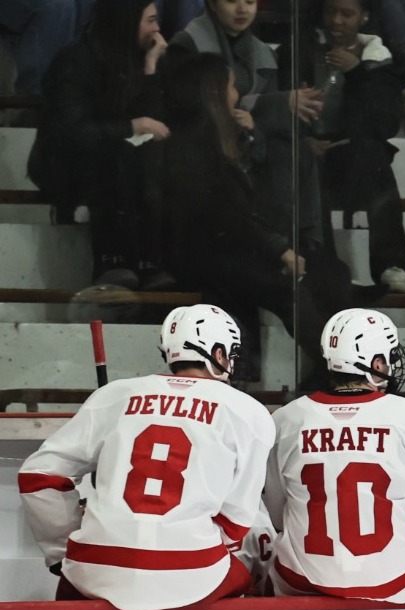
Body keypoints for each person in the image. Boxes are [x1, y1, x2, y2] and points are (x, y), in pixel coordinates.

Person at [16, 304, 274, 610]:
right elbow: (236, 521)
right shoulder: (249, 412)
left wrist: (62, 550)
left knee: (73, 578)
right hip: (190, 574)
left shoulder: (115, 394)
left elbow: (38, 476)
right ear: (218, 354)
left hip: (96, 567)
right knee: (257, 558)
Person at [157, 52, 344, 385]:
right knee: (286, 290)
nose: (236, 95)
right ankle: (340, 373)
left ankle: (251, 379)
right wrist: (280, 250)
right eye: (230, 87)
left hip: (219, 256)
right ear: (212, 93)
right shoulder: (200, 144)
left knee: (268, 290)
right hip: (207, 258)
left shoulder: (206, 139)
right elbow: (230, 214)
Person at [267, 308, 405, 602]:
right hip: (394, 583)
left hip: (303, 580)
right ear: (376, 363)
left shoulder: (286, 419)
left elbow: (278, 516)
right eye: (389, 358)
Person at [29, 0, 169, 286]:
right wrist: (130, 126)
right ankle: (112, 260)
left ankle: (151, 260)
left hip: (117, 164)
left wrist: (151, 68)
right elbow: (69, 132)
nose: (157, 29)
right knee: (118, 153)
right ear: (127, 20)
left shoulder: (137, 57)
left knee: (148, 154)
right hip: (65, 164)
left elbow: (155, 124)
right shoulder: (76, 59)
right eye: (150, 20)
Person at [169, 0, 329, 247]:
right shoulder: (187, 44)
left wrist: (257, 116)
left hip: (251, 136)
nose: (242, 9)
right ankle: (282, 244)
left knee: (295, 150)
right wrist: (275, 104)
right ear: (212, 3)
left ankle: (306, 243)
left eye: (250, 1)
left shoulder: (261, 51)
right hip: (206, 139)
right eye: (232, 1)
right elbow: (193, 105)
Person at [284, 0, 405, 293]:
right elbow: (281, 102)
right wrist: (303, 139)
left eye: (347, 14)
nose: (337, 21)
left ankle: (392, 264)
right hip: (303, 146)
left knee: (374, 155)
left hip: (349, 153)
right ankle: (323, 269)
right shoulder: (300, 49)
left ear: (364, 17)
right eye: (331, 11)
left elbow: (385, 124)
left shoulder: (378, 58)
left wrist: (358, 73)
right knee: (302, 161)